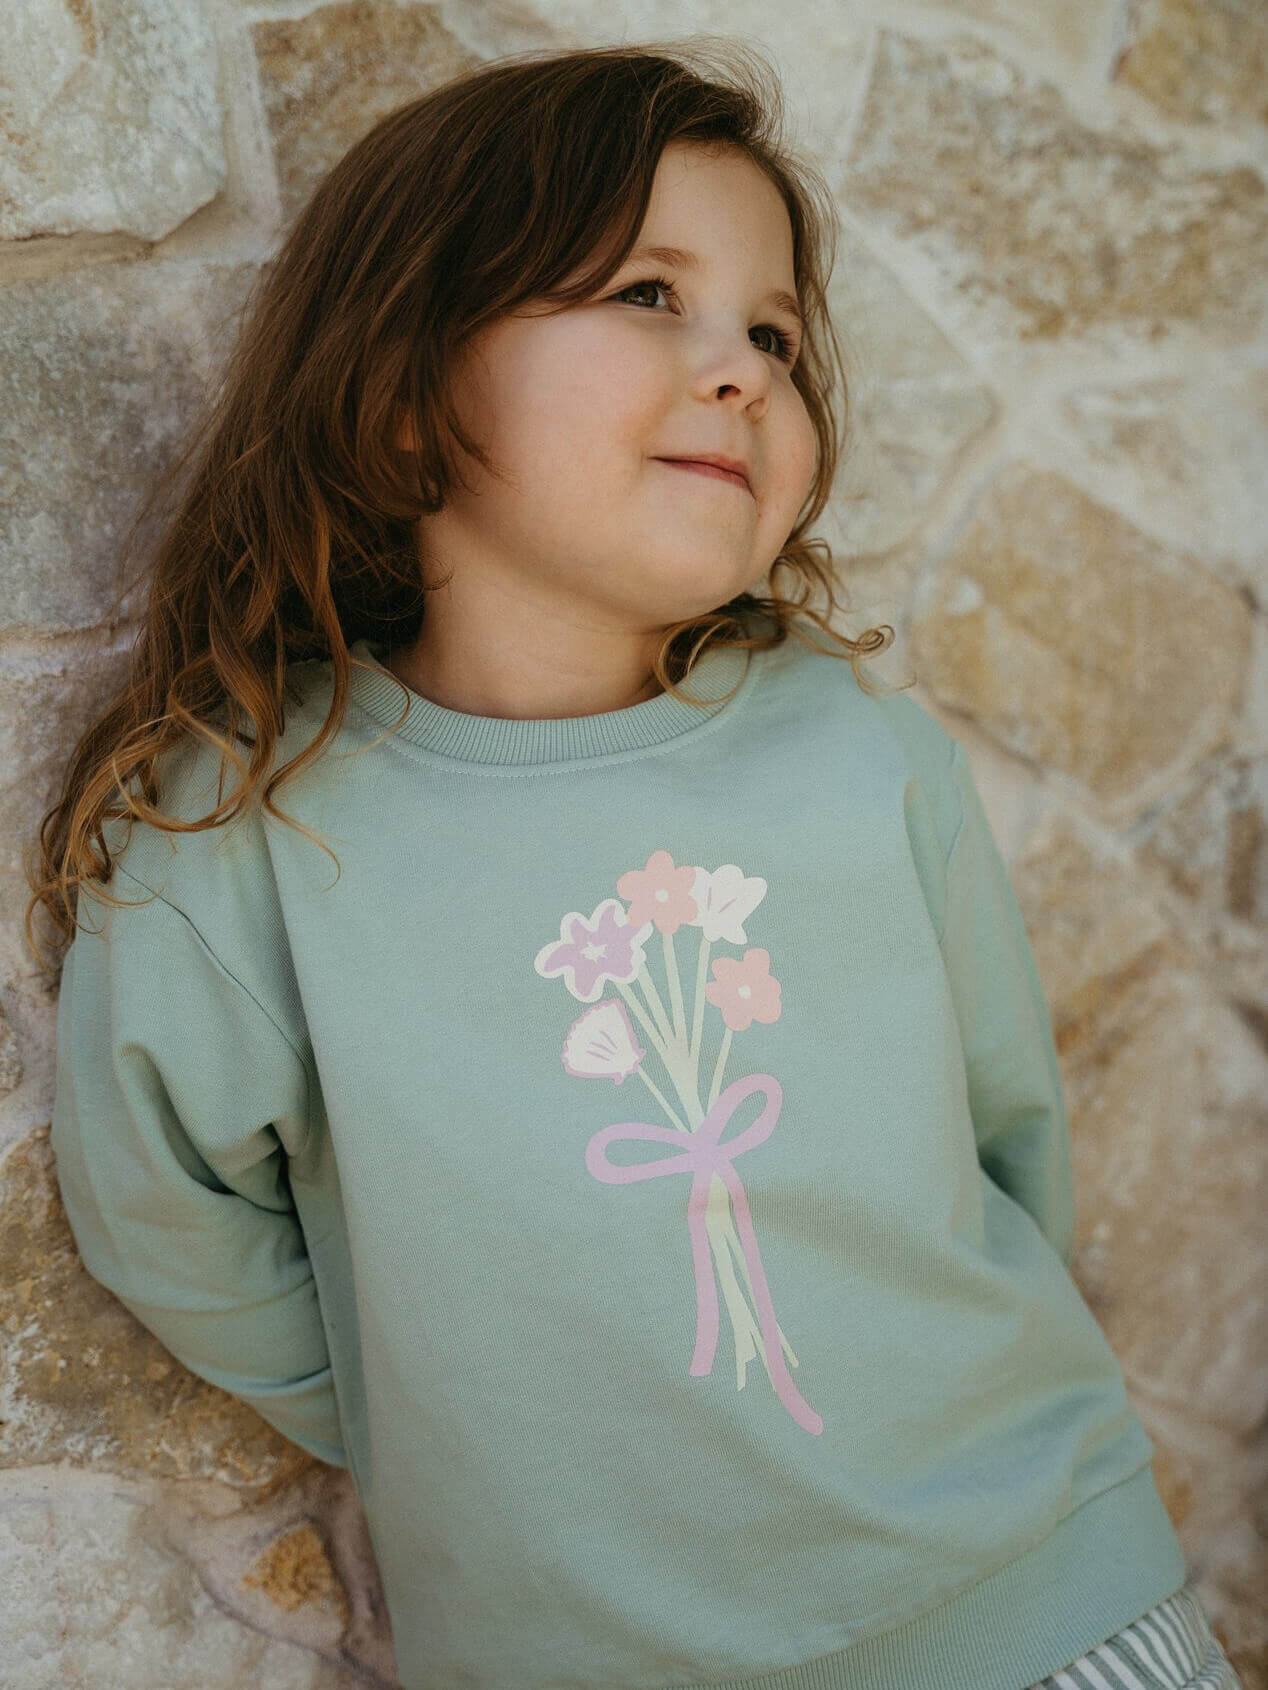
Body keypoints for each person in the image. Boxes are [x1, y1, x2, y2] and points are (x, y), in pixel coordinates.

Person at [29, 38, 1244, 1690]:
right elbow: (166, 1209)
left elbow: (1006, 1149)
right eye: (645, 294)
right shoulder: (248, 829)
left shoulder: (857, 754)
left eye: (773, 333)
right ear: (400, 401)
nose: (738, 366)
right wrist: (433, 1389)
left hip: (1050, 1602)